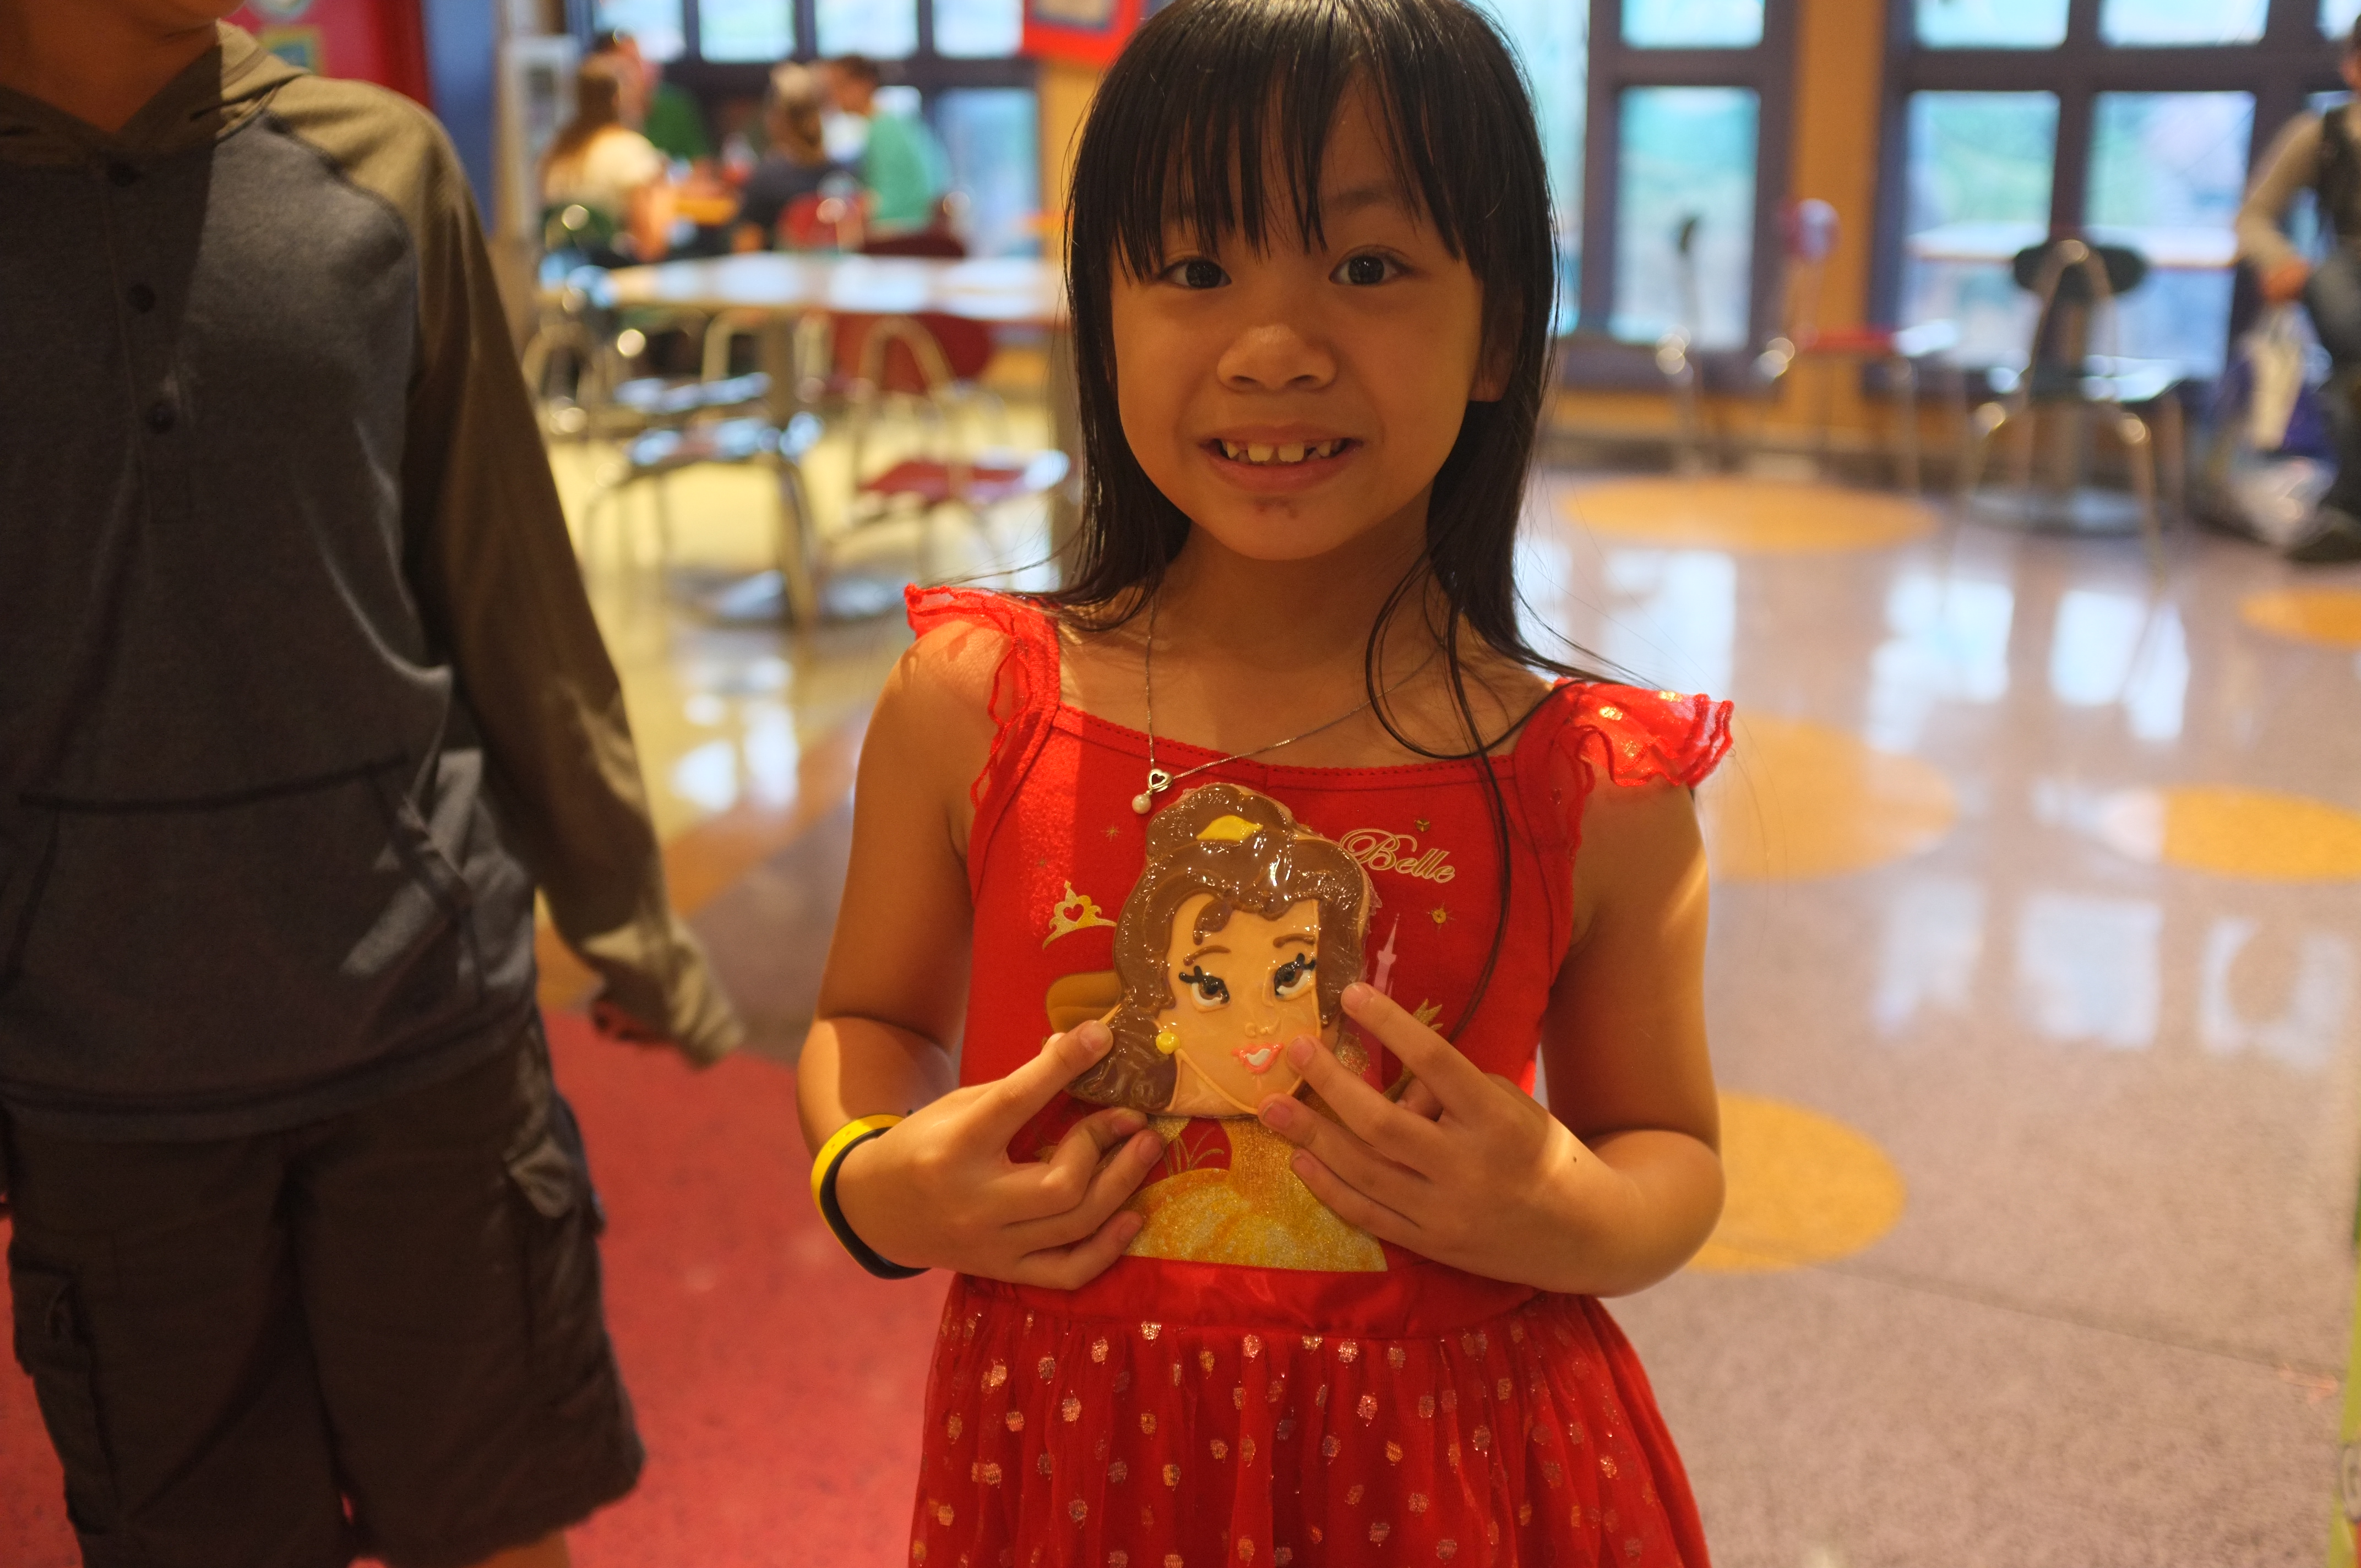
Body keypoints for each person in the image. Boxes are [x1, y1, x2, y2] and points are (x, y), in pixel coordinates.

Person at [795, 2, 1728, 1563]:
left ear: (1500, 331)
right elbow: (869, 1017)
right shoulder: (973, 705)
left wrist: (1563, 1209)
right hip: (1074, 1465)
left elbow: (1670, 1152)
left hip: (1450, 1480)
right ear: (1103, 313)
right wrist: (867, 1182)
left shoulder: (1596, 782)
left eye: (1366, 267)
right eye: (1192, 266)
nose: (1274, 347)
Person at [0, 4, 739, 1566]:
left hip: (424, 1025)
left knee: (495, 1527)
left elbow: (504, 575)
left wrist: (624, 909)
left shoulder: (380, 167)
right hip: (96, 1070)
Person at [2235, 21, 2361, 564]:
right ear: (2352, 65)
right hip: (2346, 272)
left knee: (2347, 385)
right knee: (2331, 286)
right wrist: (2280, 261)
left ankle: (2347, 510)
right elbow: (2253, 215)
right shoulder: (2321, 134)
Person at [542, 54, 674, 262]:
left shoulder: (556, 153)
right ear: (618, 98)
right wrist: (665, 195)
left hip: (562, 274)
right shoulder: (629, 150)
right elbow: (651, 244)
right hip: (618, 276)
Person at [821, 53, 949, 237]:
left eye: (838, 86)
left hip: (901, 234)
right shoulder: (895, 123)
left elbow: (887, 201)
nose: (833, 96)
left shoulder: (885, 129)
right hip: (913, 229)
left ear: (865, 84)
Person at [734, 62, 844, 251]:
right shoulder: (841, 174)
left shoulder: (768, 178)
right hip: (835, 269)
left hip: (784, 269)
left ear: (778, 118)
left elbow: (747, 248)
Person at [591, 26, 709, 169]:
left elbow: (701, 163)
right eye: (630, 63)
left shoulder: (674, 104)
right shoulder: (600, 133)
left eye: (643, 59)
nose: (646, 68)